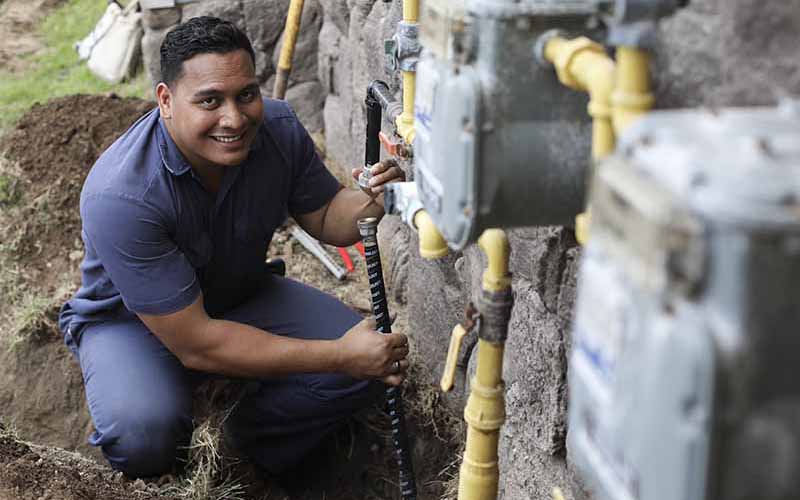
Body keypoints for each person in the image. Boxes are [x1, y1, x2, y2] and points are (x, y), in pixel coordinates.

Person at [58, 15, 409, 479]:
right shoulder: (121, 195)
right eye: (209, 101)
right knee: (144, 434)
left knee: (361, 372)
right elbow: (198, 344)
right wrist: (341, 354)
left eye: (246, 94)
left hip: (237, 295)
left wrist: (375, 196)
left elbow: (327, 216)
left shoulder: (278, 128)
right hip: (131, 323)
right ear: (166, 100)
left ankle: (252, 448)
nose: (234, 118)